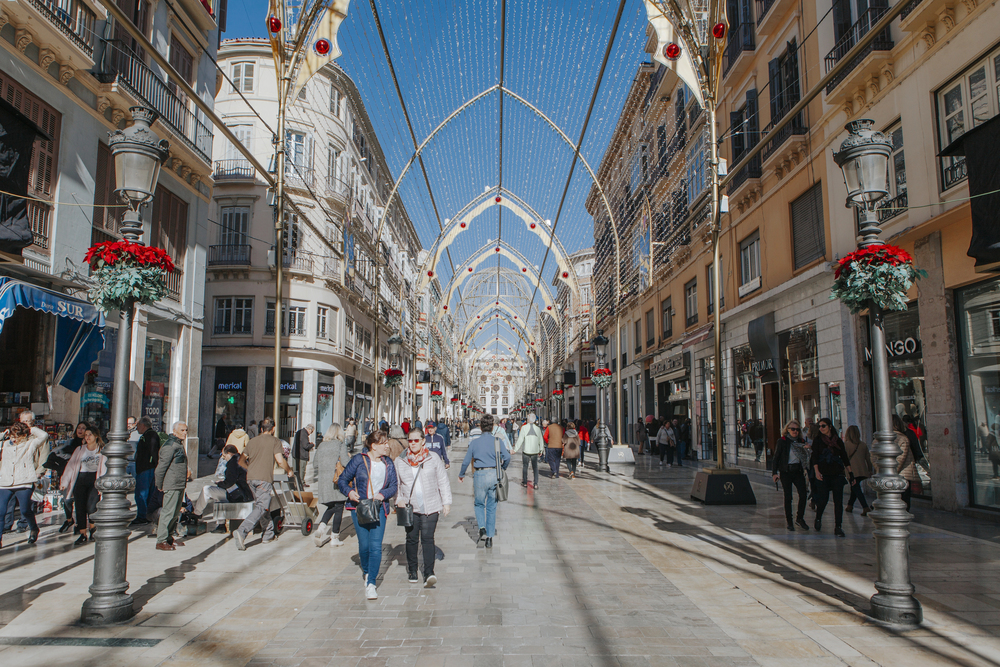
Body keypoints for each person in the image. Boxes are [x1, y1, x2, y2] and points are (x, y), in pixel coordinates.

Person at [337, 431, 398, 600]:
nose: (387, 446)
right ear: (374, 446)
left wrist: (383, 494)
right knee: (364, 546)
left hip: (379, 508)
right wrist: (349, 492)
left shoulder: (388, 463)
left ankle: (372, 583)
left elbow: (394, 485)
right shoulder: (359, 460)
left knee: (376, 546)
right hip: (360, 507)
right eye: (384, 443)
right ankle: (366, 571)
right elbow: (342, 480)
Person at [395, 427, 452, 587]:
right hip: (409, 507)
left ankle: (429, 573)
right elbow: (396, 484)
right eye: (410, 440)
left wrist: (446, 502)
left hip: (431, 505)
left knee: (427, 539)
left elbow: (443, 481)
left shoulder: (433, 458)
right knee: (412, 539)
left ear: (423, 441)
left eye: (416, 440)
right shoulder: (400, 460)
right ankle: (412, 570)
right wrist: (398, 499)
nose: (412, 443)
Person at [234, 417, 294, 550]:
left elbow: (241, 461)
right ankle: (242, 531)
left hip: (251, 478)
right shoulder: (275, 441)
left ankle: (268, 534)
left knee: (262, 506)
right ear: (273, 429)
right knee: (262, 506)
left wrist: (250, 468)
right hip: (264, 479)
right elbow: (280, 460)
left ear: (261, 429)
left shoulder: (252, 441)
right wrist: (289, 470)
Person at [458, 415, 509, 549]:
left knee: (479, 504)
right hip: (494, 474)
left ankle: (481, 528)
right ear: (492, 427)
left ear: (481, 427)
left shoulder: (475, 443)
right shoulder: (497, 441)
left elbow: (466, 460)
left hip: (479, 474)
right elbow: (507, 457)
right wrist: (502, 468)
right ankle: (490, 538)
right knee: (491, 507)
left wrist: (461, 474)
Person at [0, 421, 47, 547]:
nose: (14, 440)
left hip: (24, 481)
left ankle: (34, 528)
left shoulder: (30, 444)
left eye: (17, 437)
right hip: (5, 482)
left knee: (25, 510)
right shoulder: (5, 444)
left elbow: (43, 435)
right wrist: (4, 434)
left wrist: (30, 428)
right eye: (12, 436)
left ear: (24, 436)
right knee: (1, 511)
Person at [60, 423, 107, 546]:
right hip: (81, 479)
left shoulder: (102, 450)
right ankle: (82, 534)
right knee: (80, 507)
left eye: (90, 434)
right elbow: (71, 466)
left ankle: (93, 528)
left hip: (94, 479)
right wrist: (64, 482)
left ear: (96, 436)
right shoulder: (80, 449)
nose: (87, 437)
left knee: (92, 507)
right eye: (86, 435)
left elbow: (105, 467)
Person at [810, 418, 855, 537]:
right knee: (823, 500)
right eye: (819, 426)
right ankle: (818, 518)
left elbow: (844, 457)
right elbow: (814, 457)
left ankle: (838, 526)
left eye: (823, 426)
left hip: (837, 473)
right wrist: (816, 471)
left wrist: (851, 474)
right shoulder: (818, 440)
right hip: (823, 473)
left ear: (830, 426)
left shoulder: (838, 441)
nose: (821, 428)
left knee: (838, 502)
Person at [154, 422, 191, 551]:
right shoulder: (170, 446)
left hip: (179, 484)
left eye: (186, 430)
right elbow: (161, 468)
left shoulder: (178, 444)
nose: (185, 433)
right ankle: (161, 540)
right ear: (174, 431)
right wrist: (159, 484)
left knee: (175, 513)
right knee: (168, 512)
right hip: (172, 484)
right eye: (182, 430)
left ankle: (169, 537)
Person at [313, 424, 351, 548]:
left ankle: (322, 527)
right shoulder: (340, 445)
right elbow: (345, 462)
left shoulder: (321, 445)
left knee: (331, 506)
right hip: (336, 480)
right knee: (339, 507)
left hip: (324, 481)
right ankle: (334, 537)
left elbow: (315, 464)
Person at [771, 420, 810, 531]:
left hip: (798, 471)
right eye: (792, 429)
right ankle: (789, 521)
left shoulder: (801, 441)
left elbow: (806, 457)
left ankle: (800, 518)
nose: (795, 431)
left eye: (797, 429)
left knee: (803, 494)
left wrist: (808, 449)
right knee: (788, 497)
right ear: (787, 430)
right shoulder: (782, 441)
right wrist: (774, 473)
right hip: (786, 472)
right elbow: (776, 457)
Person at [192, 445, 251, 517]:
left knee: (206, 490)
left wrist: (219, 483)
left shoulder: (233, 463)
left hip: (238, 494)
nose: (224, 458)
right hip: (244, 492)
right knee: (217, 495)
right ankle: (220, 522)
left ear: (229, 453)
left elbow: (229, 483)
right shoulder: (242, 460)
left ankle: (197, 513)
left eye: (224, 456)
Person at [131, 416, 160, 526]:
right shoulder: (148, 435)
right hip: (146, 468)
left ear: (143, 425)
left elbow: (154, 452)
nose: (137, 428)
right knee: (146, 494)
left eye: (138, 425)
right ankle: (146, 515)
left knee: (142, 493)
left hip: (146, 468)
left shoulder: (150, 435)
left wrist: (156, 465)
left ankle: (143, 515)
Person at [888, 415, 920, 511]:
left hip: (900, 469)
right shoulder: (907, 434)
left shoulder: (900, 437)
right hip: (905, 469)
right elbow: (916, 450)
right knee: (904, 496)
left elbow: (901, 457)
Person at [844, 425, 873, 516]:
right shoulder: (863, 445)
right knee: (855, 488)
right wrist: (870, 469)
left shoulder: (846, 445)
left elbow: (844, 459)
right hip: (862, 471)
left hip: (851, 471)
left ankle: (865, 507)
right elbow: (868, 459)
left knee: (856, 489)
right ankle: (850, 505)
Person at [513, 415, 544, 489]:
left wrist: (515, 450)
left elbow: (520, 440)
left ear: (528, 420)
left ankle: (525, 482)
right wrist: (541, 450)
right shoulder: (537, 428)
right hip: (535, 451)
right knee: (535, 467)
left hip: (526, 451)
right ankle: (535, 483)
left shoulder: (524, 428)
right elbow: (541, 440)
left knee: (525, 466)